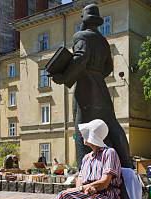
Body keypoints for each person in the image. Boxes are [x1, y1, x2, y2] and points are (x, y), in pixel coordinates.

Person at [52, 4, 132, 169]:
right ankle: (126, 163)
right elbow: (109, 67)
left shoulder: (81, 36)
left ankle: (84, 171)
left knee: (81, 129)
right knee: (111, 125)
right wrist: (96, 75)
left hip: (85, 88)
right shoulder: (103, 41)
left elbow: (80, 58)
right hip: (101, 87)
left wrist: (64, 77)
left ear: (84, 19)